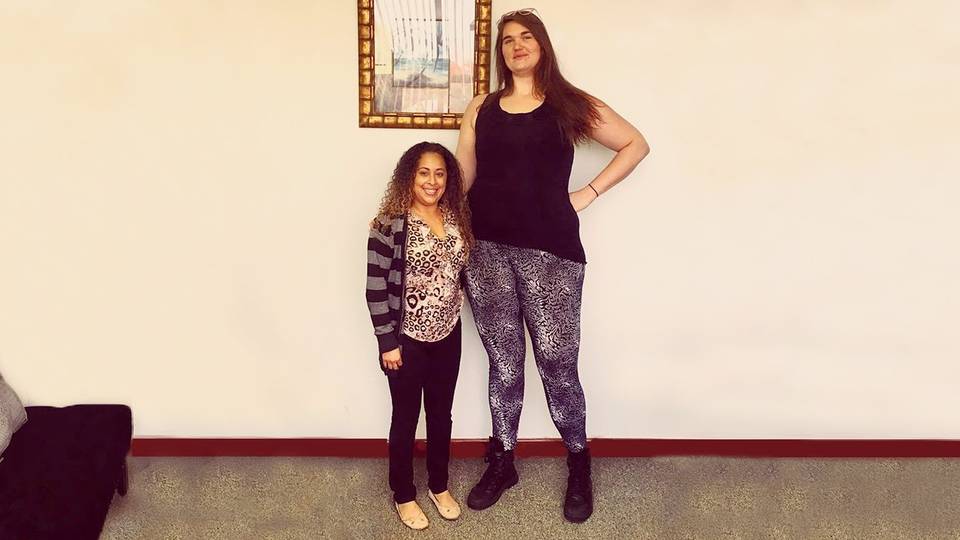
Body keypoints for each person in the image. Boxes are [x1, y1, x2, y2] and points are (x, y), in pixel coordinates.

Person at [454, 8, 650, 523]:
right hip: (486, 251)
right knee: (504, 362)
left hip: (551, 254)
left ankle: (579, 462)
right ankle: (502, 460)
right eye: (507, 40)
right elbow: (465, 176)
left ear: (542, 45)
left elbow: (636, 144)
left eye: (527, 37)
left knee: (557, 365)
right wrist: (436, 218)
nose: (517, 45)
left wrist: (588, 192)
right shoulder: (480, 108)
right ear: (500, 52)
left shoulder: (569, 103)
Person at [365, 142, 474, 530]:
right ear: (409, 177)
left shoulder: (456, 217)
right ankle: (403, 494)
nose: (432, 181)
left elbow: (461, 272)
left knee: (441, 415)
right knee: (406, 418)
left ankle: (439, 485)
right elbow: (375, 288)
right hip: (406, 340)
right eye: (424, 172)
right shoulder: (388, 224)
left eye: (440, 173)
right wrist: (387, 344)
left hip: (448, 333)